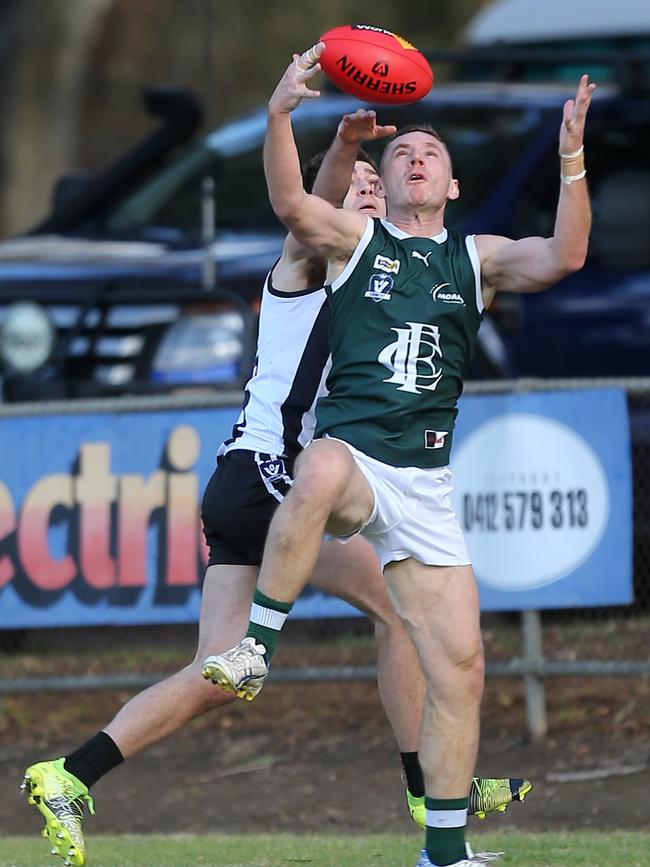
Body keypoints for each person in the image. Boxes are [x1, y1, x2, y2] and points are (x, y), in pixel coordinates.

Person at [20, 110, 529, 867]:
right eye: (352, 185)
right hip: (270, 479)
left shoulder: (387, 270)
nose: (361, 194)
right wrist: (343, 149)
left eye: (370, 186)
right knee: (396, 605)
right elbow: (305, 201)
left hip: (245, 485)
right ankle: (427, 790)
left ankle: (67, 772)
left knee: (218, 673)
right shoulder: (311, 257)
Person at [201, 42, 595, 867]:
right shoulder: (356, 242)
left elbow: (564, 255)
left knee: (462, 669)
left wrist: (571, 158)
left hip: (426, 483)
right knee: (319, 466)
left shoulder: (474, 258)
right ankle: (256, 646)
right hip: (355, 460)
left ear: (451, 186)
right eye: (400, 151)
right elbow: (290, 204)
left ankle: (444, 852)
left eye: (430, 154)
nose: (413, 158)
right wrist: (281, 111)